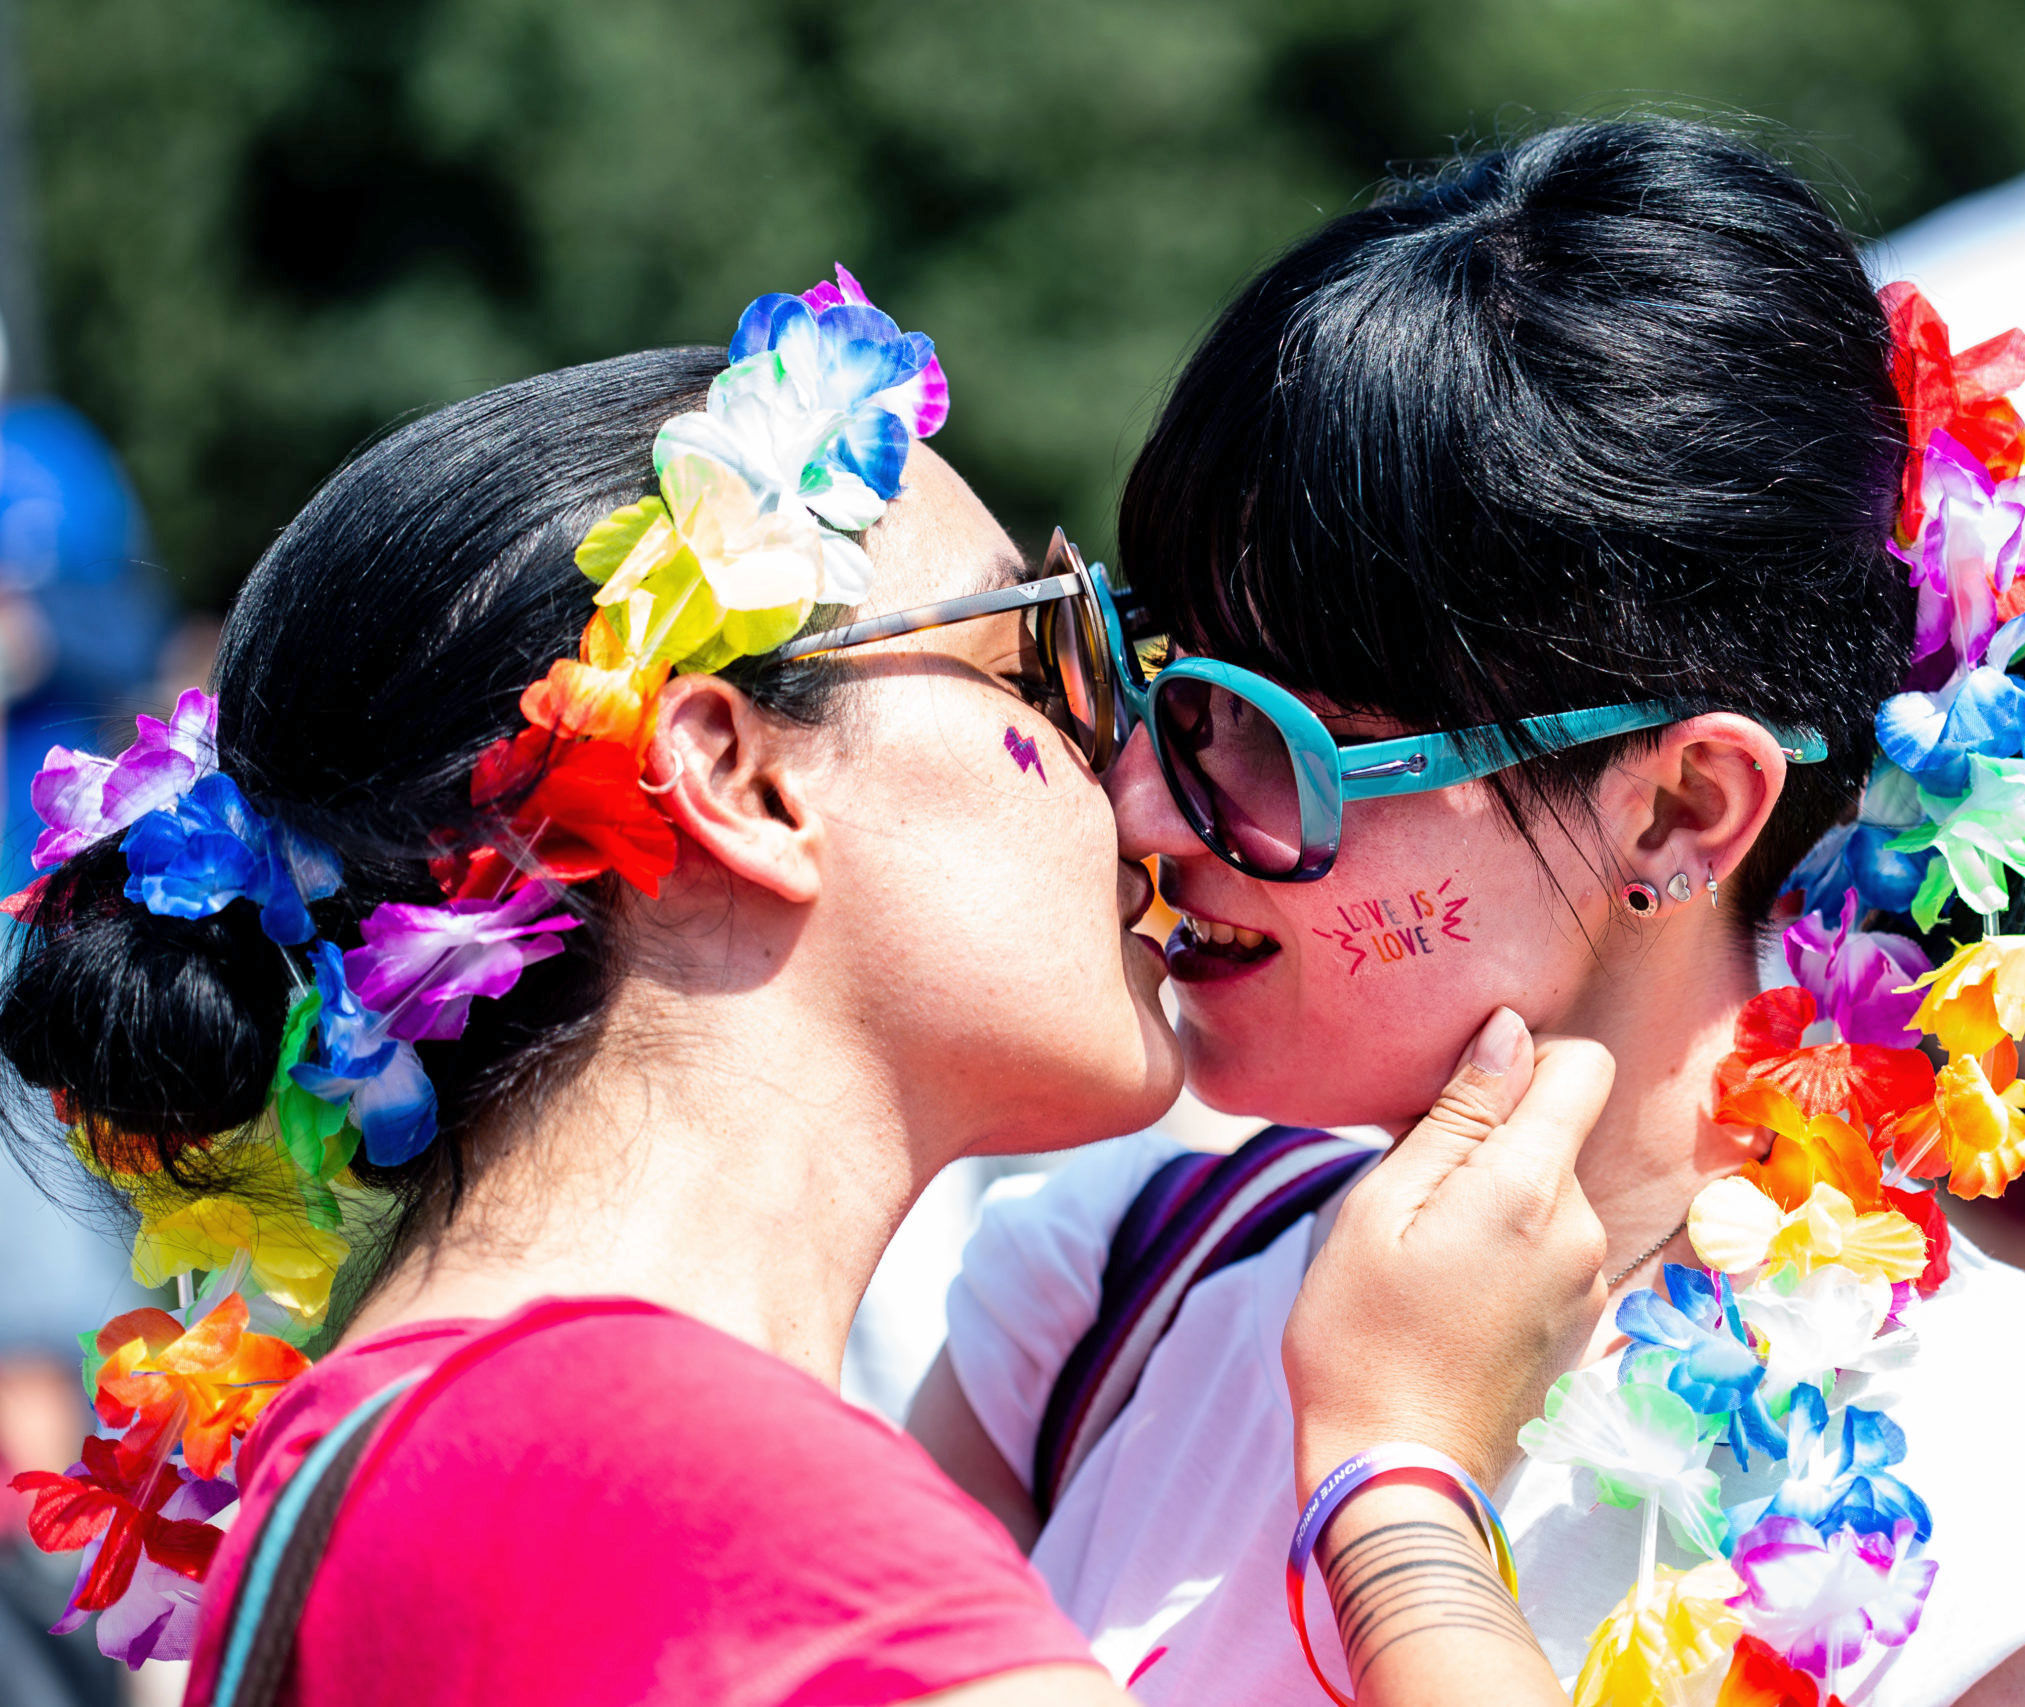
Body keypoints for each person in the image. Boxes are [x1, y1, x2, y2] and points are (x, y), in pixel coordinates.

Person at [0, 278, 1623, 1707]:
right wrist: (1396, 1475)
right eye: (1050, 664)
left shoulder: (437, 1425)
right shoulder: (691, 1495)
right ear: (737, 779)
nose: (1139, 787)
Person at [913, 121, 2025, 1706]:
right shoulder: (1119, 1285)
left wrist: (1392, 1483)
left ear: (1683, 808)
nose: (1148, 808)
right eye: (1173, 691)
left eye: (1282, 738)